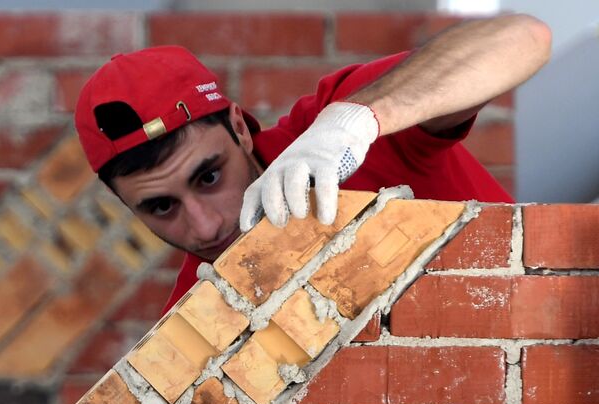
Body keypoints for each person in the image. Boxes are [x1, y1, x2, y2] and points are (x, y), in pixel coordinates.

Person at [73, 14, 552, 312]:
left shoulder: (337, 132)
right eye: (161, 207)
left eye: (209, 176)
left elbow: (522, 37)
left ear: (240, 128)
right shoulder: (199, 315)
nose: (205, 226)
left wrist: (355, 122)